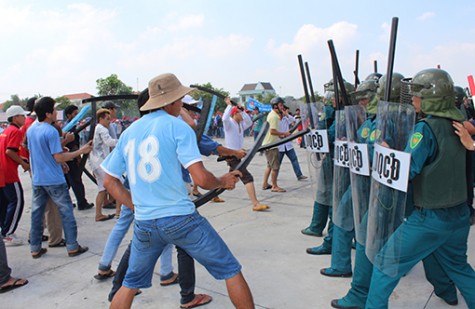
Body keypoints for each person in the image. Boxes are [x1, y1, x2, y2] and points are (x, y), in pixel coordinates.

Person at [102, 73, 254, 309]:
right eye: (180, 99)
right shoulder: (178, 127)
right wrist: (223, 181)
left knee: (129, 285)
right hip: (180, 218)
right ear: (172, 101)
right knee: (230, 270)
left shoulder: (129, 132)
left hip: (145, 222)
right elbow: (202, 178)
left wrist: (136, 205)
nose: (182, 104)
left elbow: (109, 181)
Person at [365, 68, 475, 308]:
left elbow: (406, 171)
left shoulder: (425, 129)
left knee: (385, 264)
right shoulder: (459, 125)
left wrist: (386, 152)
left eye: (417, 94)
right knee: (459, 268)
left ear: (430, 98)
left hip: (431, 218)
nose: (413, 99)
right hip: (459, 215)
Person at [27, 96, 92, 258]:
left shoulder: (32, 129)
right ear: (48, 113)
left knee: (37, 214)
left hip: (38, 179)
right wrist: (80, 151)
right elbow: (58, 157)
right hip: (54, 180)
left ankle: (35, 247)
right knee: (66, 212)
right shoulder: (50, 131)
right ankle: (72, 246)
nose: (57, 113)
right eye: (55, 110)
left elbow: (41, 153)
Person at [223, 98, 269, 211]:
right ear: (234, 114)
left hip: (238, 155)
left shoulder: (240, 125)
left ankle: (213, 193)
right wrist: (229, 106)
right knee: (247, 177)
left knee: (233, 178)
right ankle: (255, 204)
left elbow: (249, 122)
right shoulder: (229, 124)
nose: (243, 116)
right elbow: (224, 118)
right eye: (240, 114)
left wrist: (242, 110)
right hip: (231, 156)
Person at [0, 106, 30, 246]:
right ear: (15, 117)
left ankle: (4, 230)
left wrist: (20, 159)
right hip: (8, 173)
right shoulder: (16, 131)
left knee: (5, 202)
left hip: (2, 171)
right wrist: (23, 163)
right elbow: (9, 152)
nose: (24, 118)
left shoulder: (5, 131)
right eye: (22, 116)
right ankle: (8, 233)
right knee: (17, 201)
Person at [63, 105, 94, 211]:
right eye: (75, 114)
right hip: (71, 156)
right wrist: (78, 156)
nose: (77, 116)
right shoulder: (70, 127)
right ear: (69, 115)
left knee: (68, 182)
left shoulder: (68, 125)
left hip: (68, 157)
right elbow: (72, 143)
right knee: (76, 180)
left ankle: (66, 202)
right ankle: (82, 202)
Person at [89, 108, 118, 222]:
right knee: (116, 182)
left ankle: (98, 214)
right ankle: (119, 211)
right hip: (101, 163)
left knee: (102, 189)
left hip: (96, 162)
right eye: (107, 119)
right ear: (100, 119)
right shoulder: (102, 129)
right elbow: (109, 142)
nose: (109, 121)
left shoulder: (98, 128)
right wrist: (122, 141)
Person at [262, 97, 290, 192]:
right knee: (275, 167)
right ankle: (274, 186)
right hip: (271, 145)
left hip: (269, 143)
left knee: (269, 166)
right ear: (275, 106)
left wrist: (281, 136)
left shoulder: (273, 115)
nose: (282, 107)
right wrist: (284, 133)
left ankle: (265, 184)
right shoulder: (274, 116)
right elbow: (272, 131)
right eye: (281, 105)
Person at [278, 105, 307, 181]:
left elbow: (293, 120)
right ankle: (274, 176)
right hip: (280, 144)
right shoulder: (275, 119)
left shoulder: (285, 118)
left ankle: (299, 175)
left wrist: (286, 114)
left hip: (288, 144)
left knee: (294, 159)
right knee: (277, 163)